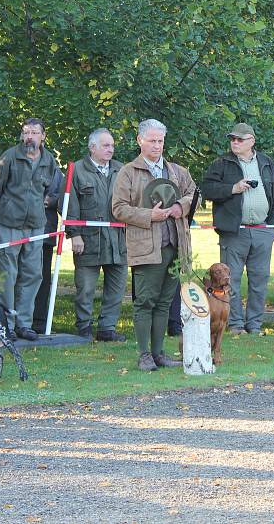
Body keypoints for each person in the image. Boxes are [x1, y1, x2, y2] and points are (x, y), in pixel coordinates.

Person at [112, 119, 196, 371]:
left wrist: (181, 206)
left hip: (175, 245)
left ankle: (159, 353)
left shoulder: (177, 171)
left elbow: (193, 193)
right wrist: (150, 215)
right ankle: (144, 354)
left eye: (160, 141)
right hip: (146, 246)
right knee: (145, 301)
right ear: (139, 140)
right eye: (152, 141)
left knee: (164, 301)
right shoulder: (128, 172)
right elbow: (118, 208)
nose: (157, 146)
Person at [201, 123, 274, 336]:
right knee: (231, 280)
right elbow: (207, 189)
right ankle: (235, 324)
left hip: (262, 230)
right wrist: (233, 188)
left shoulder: (266, 163)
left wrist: (270, 222)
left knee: (260, 280)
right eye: (233, 139)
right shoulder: (222, 163)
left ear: (252, 141)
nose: (235, 142)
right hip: (234, 232)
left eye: (240, 139)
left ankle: (255, 325)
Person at [0, 118, 59, 341]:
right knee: (7, 275)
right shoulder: (10, 156)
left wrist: (45, 202)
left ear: (43, 137)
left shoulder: (49, 160)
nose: (30, 136)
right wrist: (6, 210)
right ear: (22, 136)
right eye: (26, 132)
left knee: (32, 274)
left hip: (36, 226)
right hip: (9, 224)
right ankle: (5, 324)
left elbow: (53, 188)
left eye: (34, 132)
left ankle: (24, 324)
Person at [64, 128, 128, 342]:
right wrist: (74, 234)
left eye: (112, 145)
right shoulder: (77, 170)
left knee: (116, 287)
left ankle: (107, 328)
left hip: (118, 239)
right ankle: (84, 327)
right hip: (88, 239)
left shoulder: (122, 170)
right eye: (106, 145)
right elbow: (70, 204)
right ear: (92, 148)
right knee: (85, 288)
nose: (111, 149)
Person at [31, 166, 63, 334]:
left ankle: (39, 321)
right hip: (21, 232)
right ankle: (18, 320)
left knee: (43, 279)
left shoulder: (54, 169)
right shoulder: (14, 161)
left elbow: (64, 196)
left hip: (46, 232)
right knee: (21, 277)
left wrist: (52, 200)